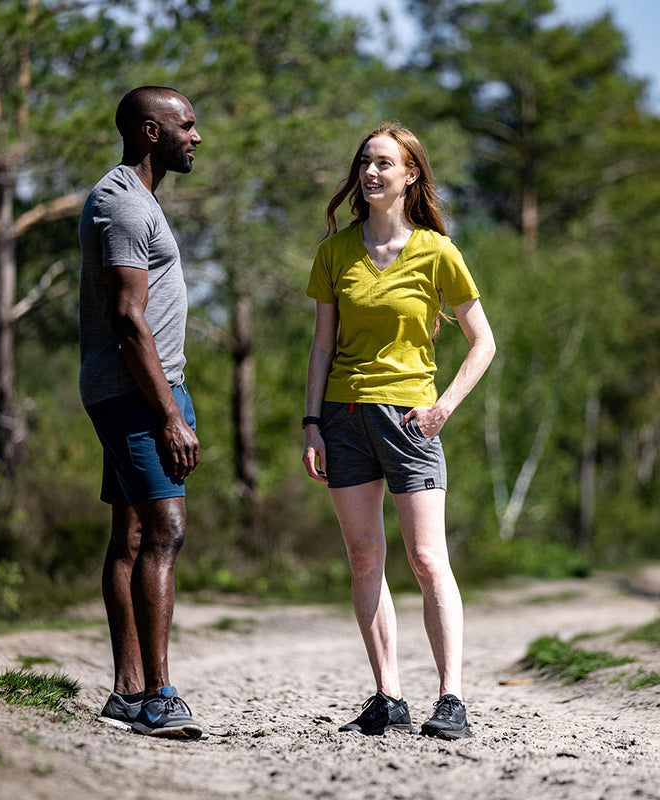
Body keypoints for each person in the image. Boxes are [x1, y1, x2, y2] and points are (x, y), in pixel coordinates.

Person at [302, 122, 495, 740]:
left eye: (384, 163)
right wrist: (312, 423)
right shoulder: (334, 252)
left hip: (412, 418)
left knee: (426, 558)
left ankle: (451, 698)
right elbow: (321, 345)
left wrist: (444, 407)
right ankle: (387, 694)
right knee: (364, 557)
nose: (370, 172)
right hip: (344, 416)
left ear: (410, 174)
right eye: (364, 162)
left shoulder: (438, 251)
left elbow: (483, 342)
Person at [78, 86, 205, 740]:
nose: (197, 136)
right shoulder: (123, 204)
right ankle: (159, 697)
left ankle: (128, 693)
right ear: (151, 131)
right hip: (135, 394)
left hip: (135, 389)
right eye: (186, 125)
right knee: (166, 530)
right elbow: (129, 320)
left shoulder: (135, 200)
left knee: (131, 535)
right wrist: (169, 417)